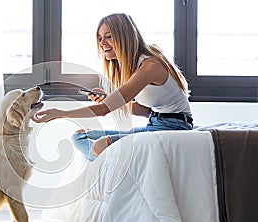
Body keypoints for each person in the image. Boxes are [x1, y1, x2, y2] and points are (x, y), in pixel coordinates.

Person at [32, 13, 193, 161]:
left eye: (108, 36)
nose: (102, 43)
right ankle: (116, 159)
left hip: (175, 128)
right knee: (79, 136)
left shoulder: (149, 66)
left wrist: (61, 114)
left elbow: (103, 111)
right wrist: (108, 100)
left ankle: (117, 162)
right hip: (154, 124)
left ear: (125, 37)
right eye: (100, 38)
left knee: (99, 146)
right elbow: (145, 111)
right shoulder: (134, 67)